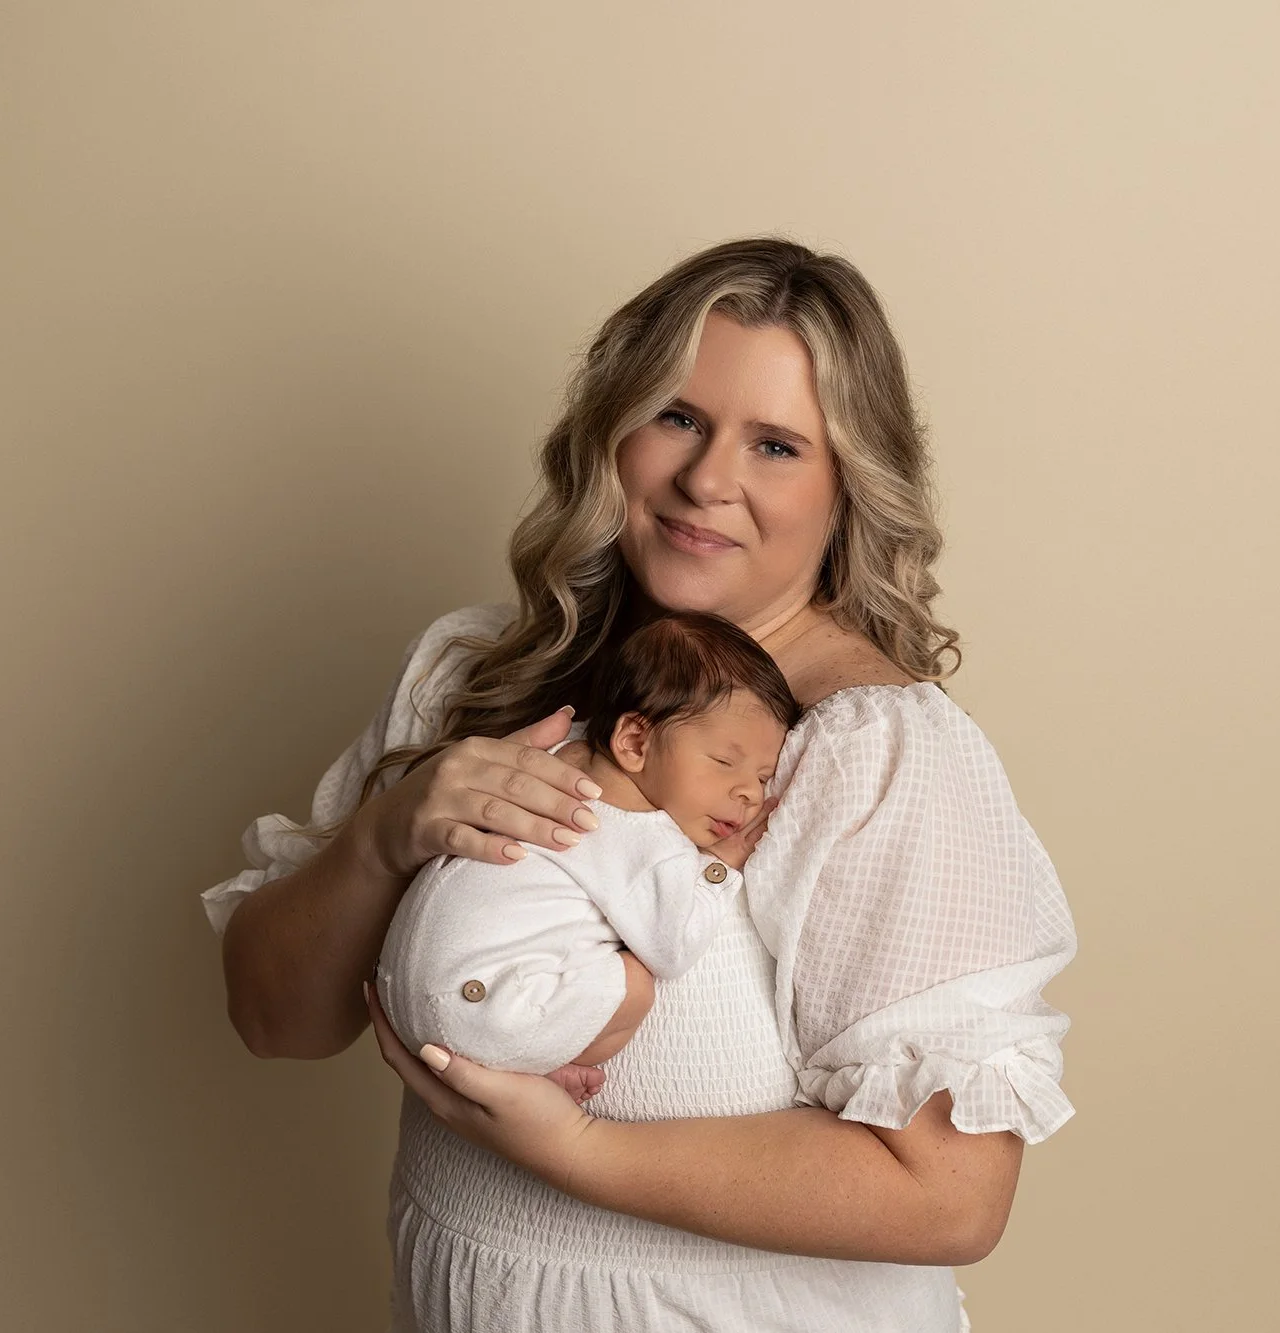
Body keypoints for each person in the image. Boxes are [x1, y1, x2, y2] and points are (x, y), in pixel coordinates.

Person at [201, 236, 1079, 1332]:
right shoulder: (478, 675)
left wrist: (575, 1151)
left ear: (848, 489)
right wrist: (383, 838)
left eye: (774, 445)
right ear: (609, 426)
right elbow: (273, 1019)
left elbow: (950, 1195)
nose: (707, 479)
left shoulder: (872, 753)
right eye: (675, 416)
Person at [373, 610, 800, 1105]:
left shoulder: (555, 756)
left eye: (764, 776)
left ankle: (513, 1051)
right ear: (635, 742)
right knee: (637, 983)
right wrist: (718, 866)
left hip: (399, 996)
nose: (748, 792)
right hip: (483, 1013)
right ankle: (531, 1062)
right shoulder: (644, 838)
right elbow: (673, 946)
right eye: (724, 763)